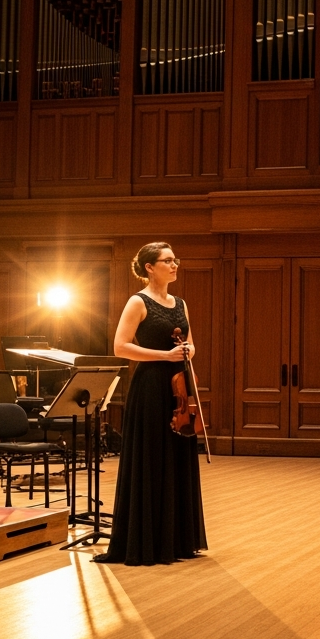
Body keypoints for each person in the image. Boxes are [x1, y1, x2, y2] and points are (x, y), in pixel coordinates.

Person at [94, 242, 209, 565]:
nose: (174, 265)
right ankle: (146, 541)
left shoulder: (180, 303)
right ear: (149, 267)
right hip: (150, 388)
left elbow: (191, 342)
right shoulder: (137, 302)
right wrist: (165, 355)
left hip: (178, 388)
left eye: (175, 259)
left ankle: (176, 540)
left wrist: (188, 352)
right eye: (167, 261)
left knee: (175, 457)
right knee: (152, 458)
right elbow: (121, 347)